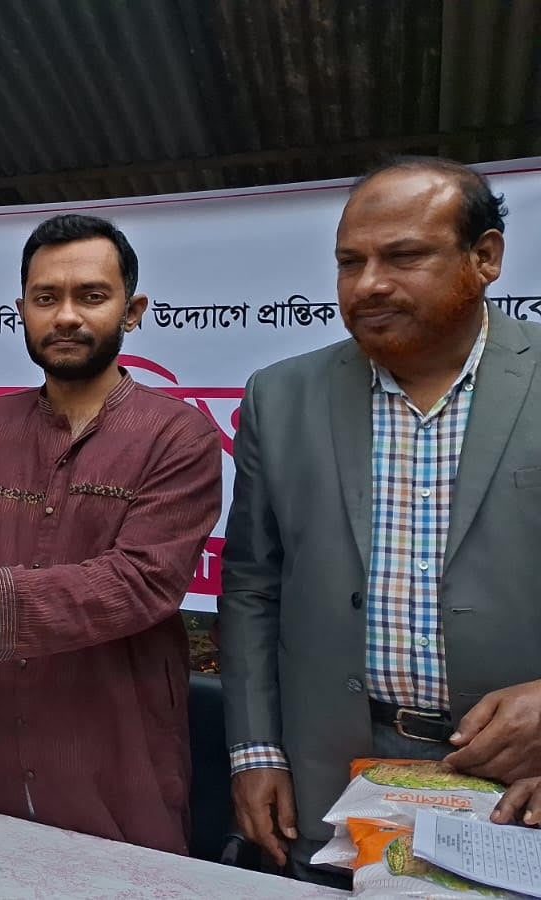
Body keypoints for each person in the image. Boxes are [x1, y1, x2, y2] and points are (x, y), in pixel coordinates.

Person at [220, 156, 541, 887]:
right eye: (349, 262)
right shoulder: (281, 396)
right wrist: (256, 753)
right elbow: (250, 586)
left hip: (517, 784)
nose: (368, 285)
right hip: (328, 777)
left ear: (485, 256)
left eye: (403, 256)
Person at [0, 214, 220, 853]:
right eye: (46, 299)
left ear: (133, 309)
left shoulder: (179, 434)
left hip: (112, 753)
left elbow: (143, 583)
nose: (66, 316)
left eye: (91, 296)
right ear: (22, 312)